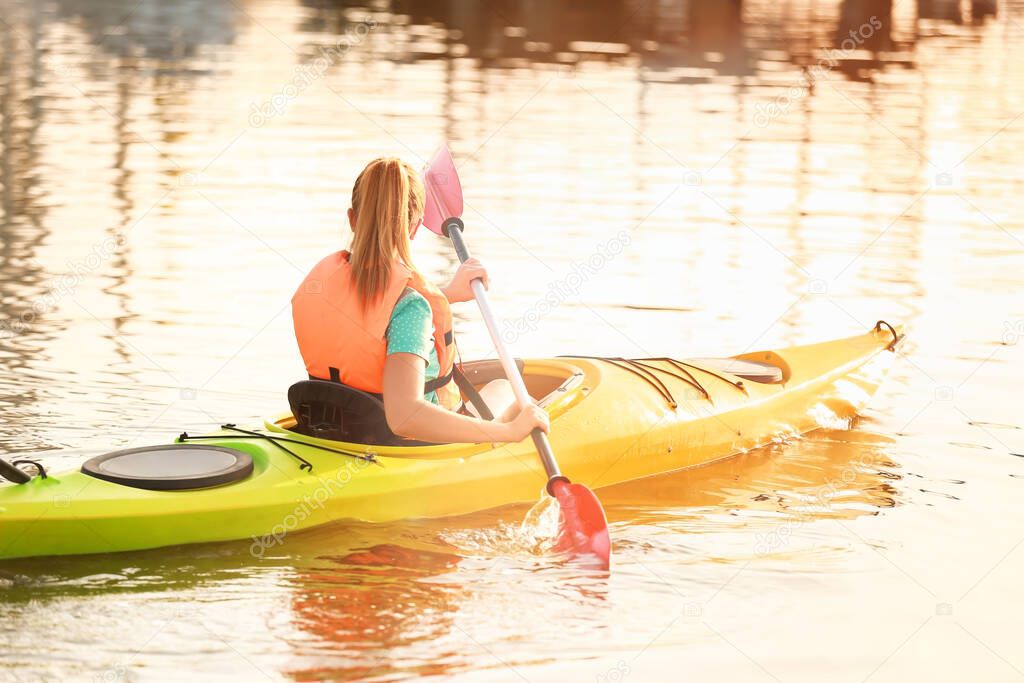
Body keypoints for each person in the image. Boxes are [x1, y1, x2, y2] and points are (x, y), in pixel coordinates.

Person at [292, 157, 549, 444]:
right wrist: (508, 432)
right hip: (403, 446)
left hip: (330, 431)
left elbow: (369, 320)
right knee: (512, 392)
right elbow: (405, 417)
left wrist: (444, 295)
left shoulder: (321, 285)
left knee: (503, 387)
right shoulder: (409, 308)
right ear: (414, 228)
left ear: (352, 219)